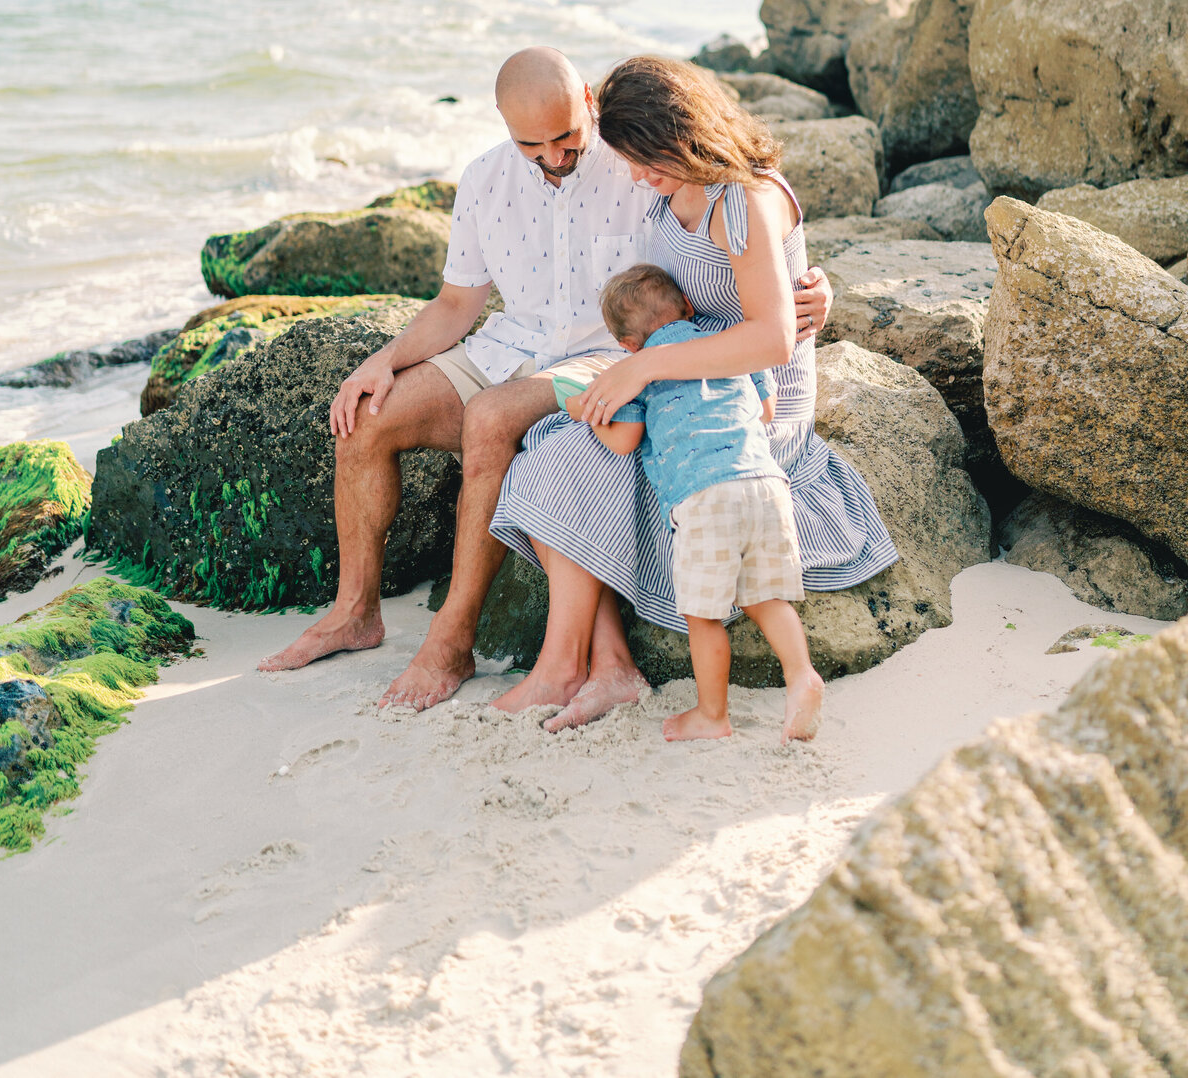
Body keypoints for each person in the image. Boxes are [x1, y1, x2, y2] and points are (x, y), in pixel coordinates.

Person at [259, 43, 839, 713]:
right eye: (533, 144)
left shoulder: (639, 166)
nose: (555, 157)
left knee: (498, 422)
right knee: (365, 418)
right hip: (511, 347)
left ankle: (453, 640)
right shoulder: (488, 180)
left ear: (589, 103)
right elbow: (456, 305)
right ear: (504, 125)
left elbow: (735, 268)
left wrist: (817, 296)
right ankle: (354, 613)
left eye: (566, 138)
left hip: (606, 356)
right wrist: (382, 361)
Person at [490, 53, 897, 730]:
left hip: (751, 403)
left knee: (594, 453)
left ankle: (572, 667)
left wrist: (641, 370)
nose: (638, 177)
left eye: (648, 159)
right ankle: (586, 665)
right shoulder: (666, 188)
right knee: (554, 443)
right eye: (631, 160)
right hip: (688, 377)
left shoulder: (747, 198)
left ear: (684, 134)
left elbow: (770, 338)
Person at [568, 262, 823, 745]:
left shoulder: (636, 371)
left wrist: (585, 412)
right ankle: (801, 674)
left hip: (704, 496)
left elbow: (623, 441)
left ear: (626, 345)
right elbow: (767, 410)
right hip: (766, 483)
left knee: (705, 616)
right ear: (687, 306)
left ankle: (712, 714)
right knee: (767, 599)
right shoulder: (728, 342)